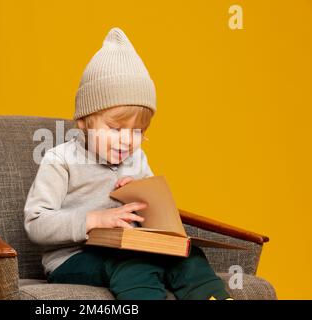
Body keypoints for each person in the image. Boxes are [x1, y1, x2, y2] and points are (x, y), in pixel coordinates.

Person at [24, 27, 231, 300]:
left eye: (137, 132)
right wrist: (93, 220)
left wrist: (144, 195)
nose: (127, 142)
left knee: (187, 253)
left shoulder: (137, 159)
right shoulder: (60, 160)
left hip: (131, 247)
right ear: (84, 121)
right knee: (134, 265)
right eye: (115, 128)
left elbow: (157, 220)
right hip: (73, 258)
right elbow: (35, 223)